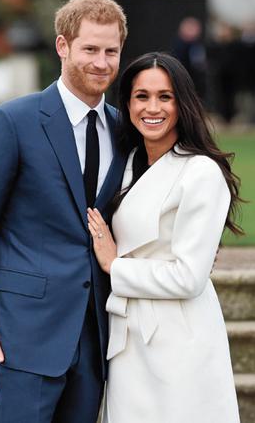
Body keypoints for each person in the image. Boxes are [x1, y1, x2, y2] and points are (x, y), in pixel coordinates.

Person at [0, 0, 128, 423]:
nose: (102, 62)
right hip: (24, 334)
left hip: (97, 338)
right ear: (62, 47)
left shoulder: (126, 130)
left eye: (111, 51)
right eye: (90, 49)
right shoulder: (12, 122)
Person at [87, 52, 242, 423]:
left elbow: (189, 277)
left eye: (165, 96)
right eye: (141, 96)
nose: (152, 107)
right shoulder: (126, 163)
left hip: (179, 339)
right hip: (128, 339)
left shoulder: (201, 172)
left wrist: (115, 266)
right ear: (126, 103)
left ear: (182, 103)